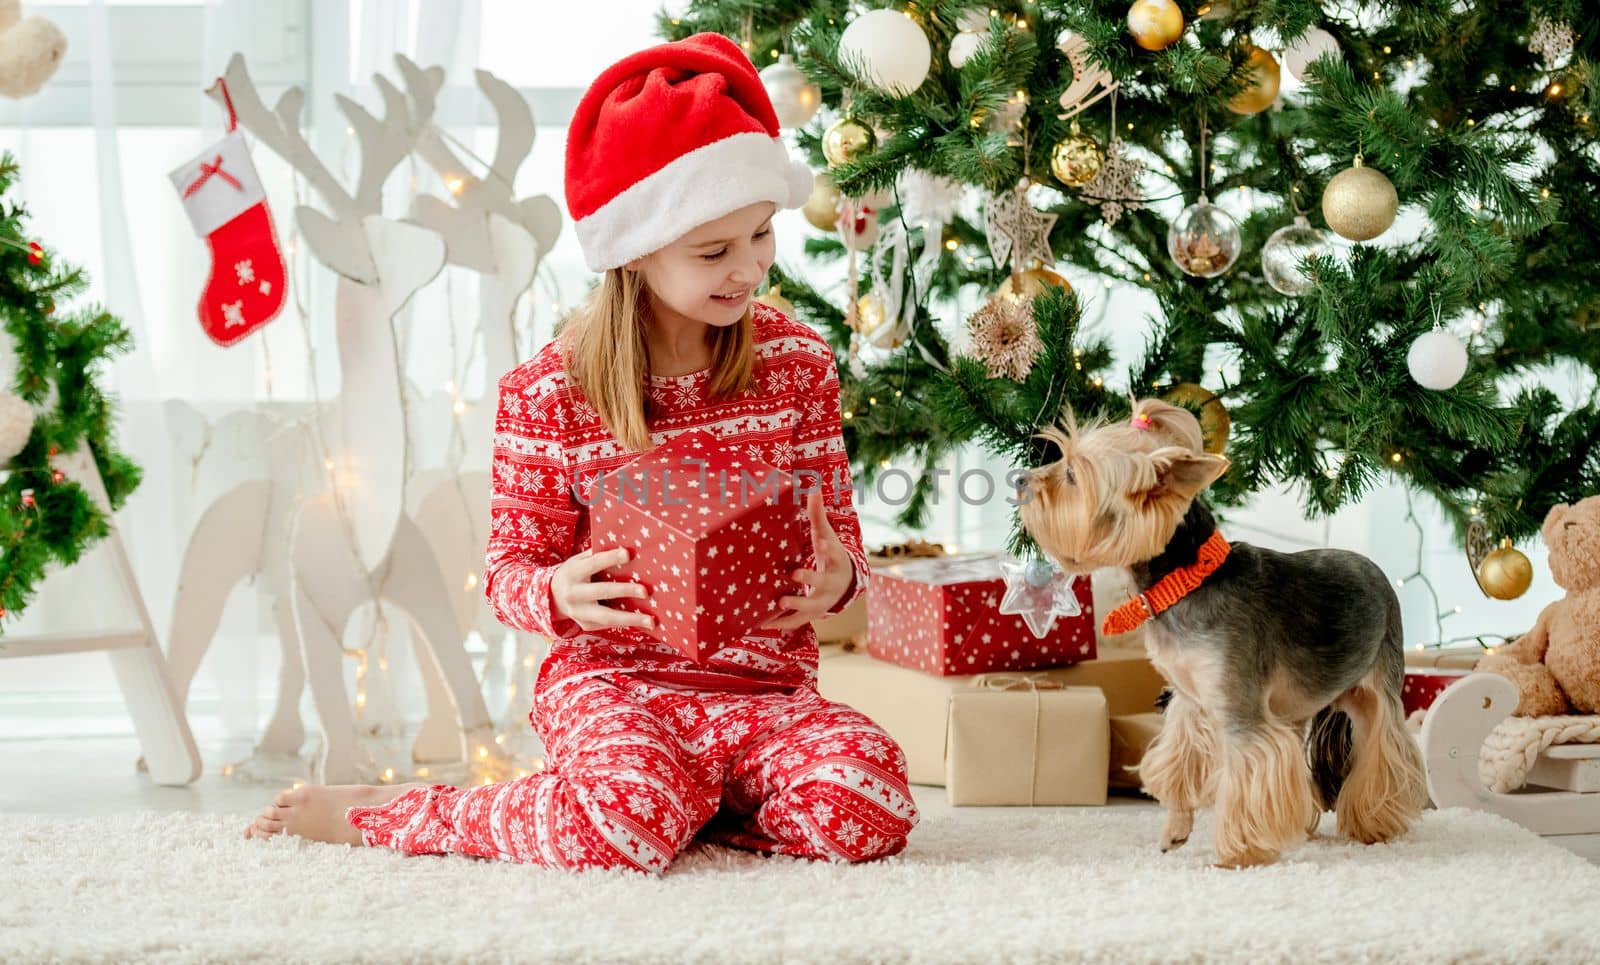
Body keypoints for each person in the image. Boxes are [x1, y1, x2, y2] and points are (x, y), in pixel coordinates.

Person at [242, 31, 919, 872]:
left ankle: (679, 804)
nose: (749, 269)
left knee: (872, 801)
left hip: (766, 693)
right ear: (635, 248)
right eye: (714, 251)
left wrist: (838, 576)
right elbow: (507, 575)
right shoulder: (549, 393)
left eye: (761, 235)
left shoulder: (797, 367)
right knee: (624, 825)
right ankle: (418, 812)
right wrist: (558, 590)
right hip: (614, 689)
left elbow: (844, 549)